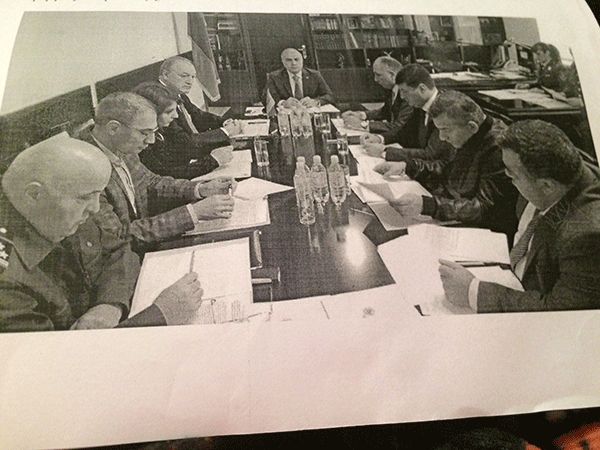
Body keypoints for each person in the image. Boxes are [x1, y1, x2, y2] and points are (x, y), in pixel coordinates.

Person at [0, 134, 204, 332]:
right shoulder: (6, 282)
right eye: (84, 198)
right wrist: (159, 316)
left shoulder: (55, 214)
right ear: (34, 194)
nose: (95, 208)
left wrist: (110, 305)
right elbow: (54, 354)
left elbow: (118, 249)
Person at [439, 120, 600, 313]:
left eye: (512, 175)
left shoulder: (587, 236)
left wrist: (473, 292)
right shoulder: (552, 175)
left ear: (547, 186)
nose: (508, 179)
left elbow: (561, 309)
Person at [80, 92, 235, 252]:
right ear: (113, 128)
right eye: (144, 133)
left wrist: (200, 188)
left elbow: (151, 182)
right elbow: (116, 236)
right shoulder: (83, 169)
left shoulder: (120, 144)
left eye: (153, 132)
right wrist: (193, 213)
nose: (151, 140)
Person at [374, 90, 518, 238]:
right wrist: (408, 166)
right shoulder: (467, 132)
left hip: (485, 233)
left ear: (472, 126)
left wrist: (430, 206)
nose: (442, 137)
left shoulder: (499, 148)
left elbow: (483, 208)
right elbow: (448, 167)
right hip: (456, 211)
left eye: (445, 130)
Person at [132, 81, 233, 180]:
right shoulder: (144, 143)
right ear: (150, 113)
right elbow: (169, 175)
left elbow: (183, 151)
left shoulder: (163, 129)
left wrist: (222, 146)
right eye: (169, 112)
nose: (176, 116)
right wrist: (213, 160)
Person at [360, 63, 454, 163]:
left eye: (404, 91)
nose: (402, 96)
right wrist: (379, 138)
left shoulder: (444, 110)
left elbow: (430, 154)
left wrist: (385, 151)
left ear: (422, 89)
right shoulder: (421, 105)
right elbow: (403, 132)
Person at [158, 56, 243, 155]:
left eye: (192, 77)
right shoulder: (159, 98)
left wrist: (224, 122)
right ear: (166, 75)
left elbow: (198, 115)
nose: (190, 82)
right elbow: (183, 141)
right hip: (183, 155)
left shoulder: (177, 92)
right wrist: (225, 132)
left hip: (193, 149)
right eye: (184, 76)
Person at [341, 56, 413, 134]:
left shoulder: (407, 94)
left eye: (378, 75)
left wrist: (362, 124)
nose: (375, 79)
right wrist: (361, 115)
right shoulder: (392, 89)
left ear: (392, 75)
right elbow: (384, 112)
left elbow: (398, 126)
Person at [266, 47, 334, 109]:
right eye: (289, 60)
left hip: (310, 112)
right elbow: (267, 99)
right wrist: (283, 103)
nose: (294, 63)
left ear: (302, 61)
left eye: (296, 59)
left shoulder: (314, 75)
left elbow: (329, 96)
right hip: (287, 113)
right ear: (283, 62)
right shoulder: (274, 77)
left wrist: (315, 101)